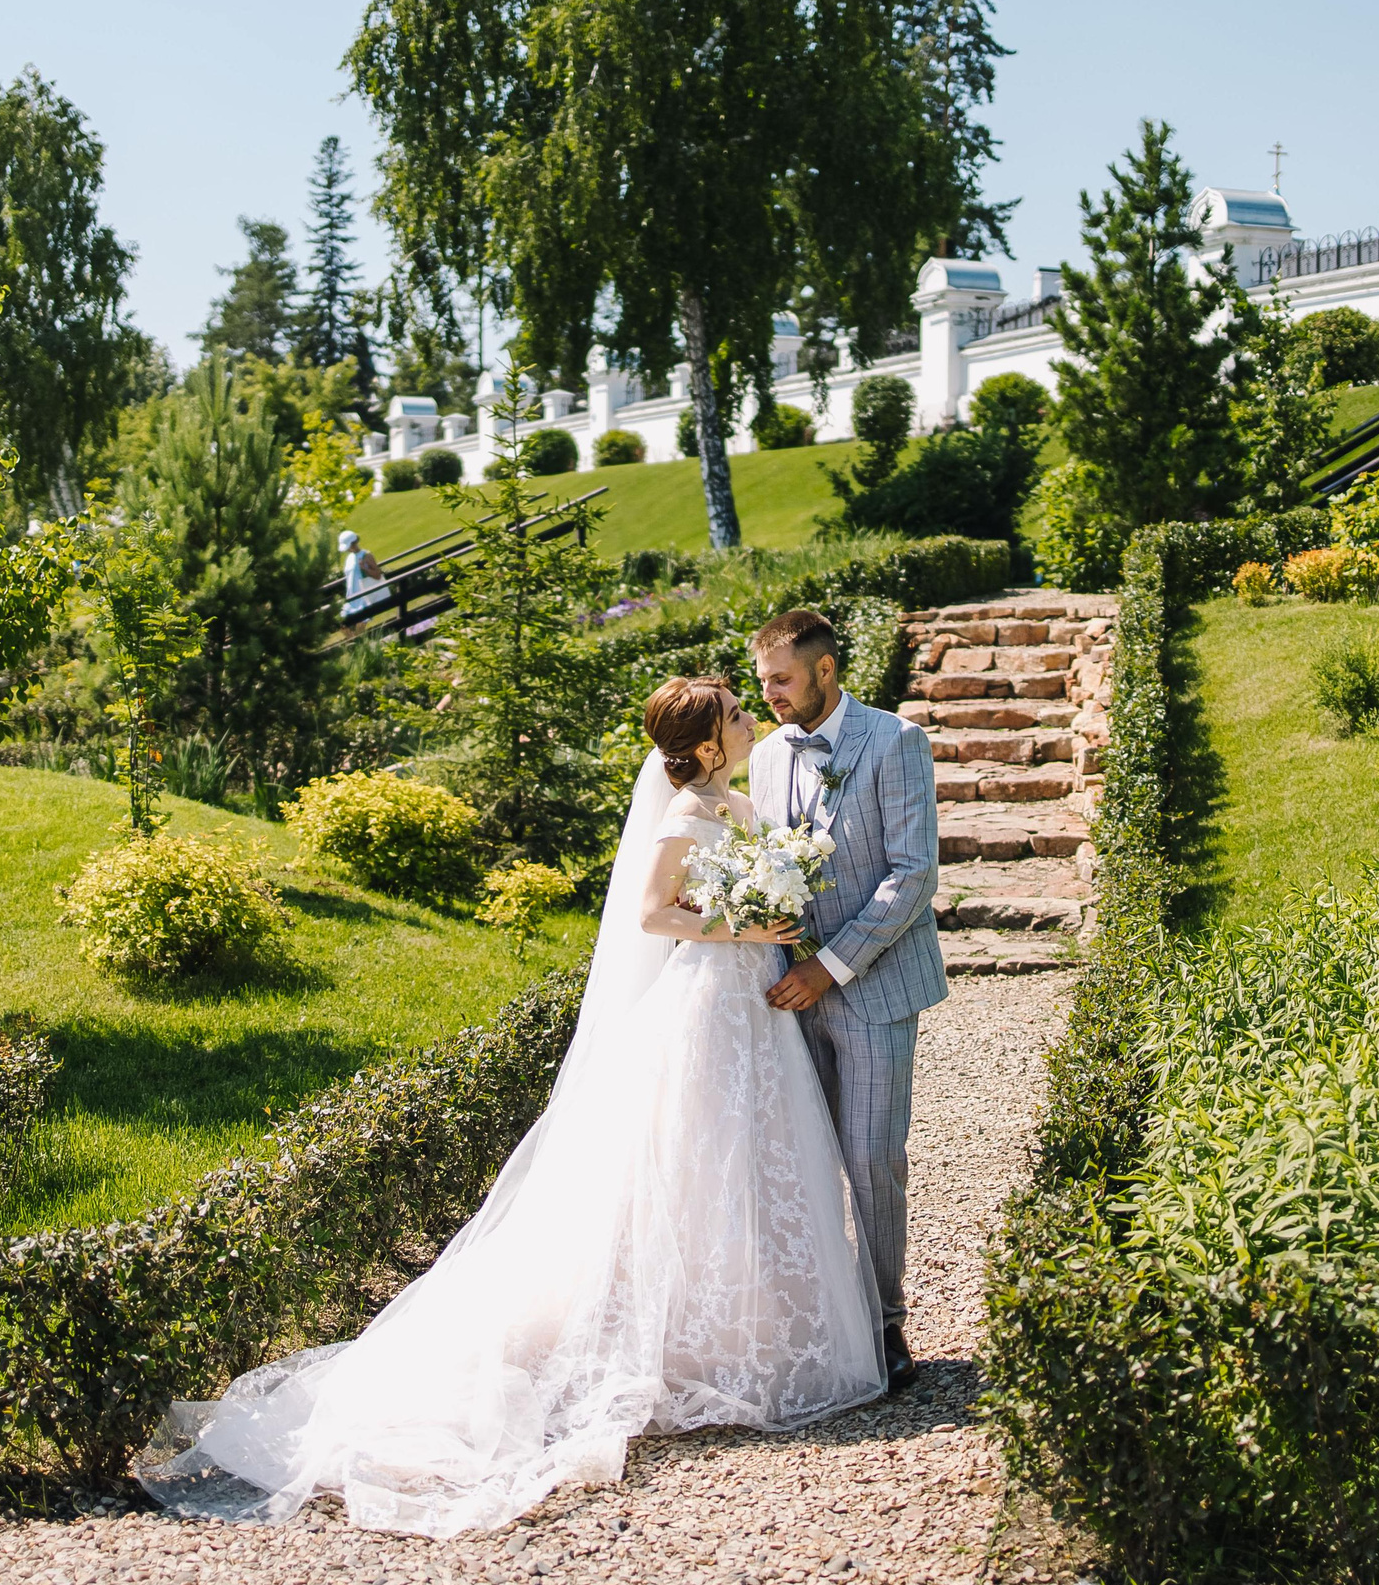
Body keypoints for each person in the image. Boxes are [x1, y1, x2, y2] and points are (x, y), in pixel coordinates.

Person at [145, 675, 886, 1537]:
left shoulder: (743, 804)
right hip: (706, 1005)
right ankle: (659, 1338)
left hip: (752, 1004)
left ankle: (734, 1332)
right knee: (693, 1155)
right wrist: (743, 928)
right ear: (712, 743)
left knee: (751, 1163)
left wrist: (770, 918)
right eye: (734, 711)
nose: (747, 714)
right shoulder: (684, 817)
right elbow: (653, 914)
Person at [744, 609, 947, 1395]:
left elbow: (912, 875)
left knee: (871, 1160)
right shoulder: (762, 756)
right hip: (783, 994)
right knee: (802, 1160)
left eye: (782, 679)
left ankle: (885, 1321)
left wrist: (828, 968)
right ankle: (825, 1317)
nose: (770, 695)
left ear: (825, 671)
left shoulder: (896, 741)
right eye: (762, 681)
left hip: (873, 989)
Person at [338, 529, 391, 621]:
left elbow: (377, 575)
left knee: (356, 624)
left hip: (363, 597)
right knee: (346, 625)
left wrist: (365, 568)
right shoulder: (350, 557)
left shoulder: (366, 555)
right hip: (352, 596)